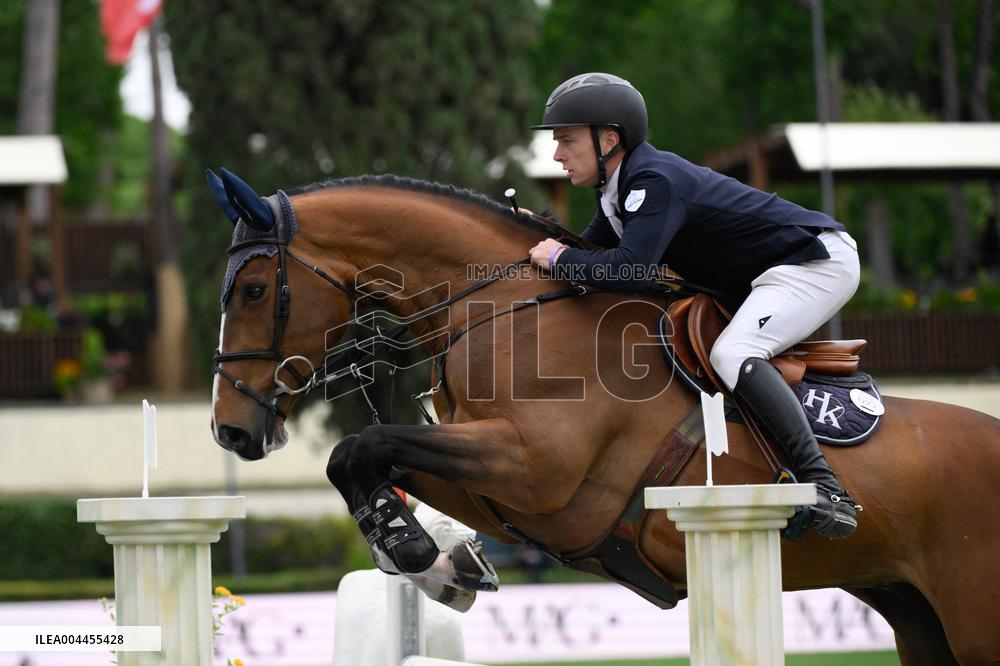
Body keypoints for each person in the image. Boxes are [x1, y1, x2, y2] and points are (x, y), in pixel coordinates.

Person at [528, 72, 861, 540]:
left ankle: (828, 489)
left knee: (733, 353)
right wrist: (527, 233)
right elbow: (589, 252)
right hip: (766, 273)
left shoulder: (652, 181)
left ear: (608, 139)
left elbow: (628, 270)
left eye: (566, 141)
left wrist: (559, 256)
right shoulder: (617, 190)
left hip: (814, 262)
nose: (557, 155)